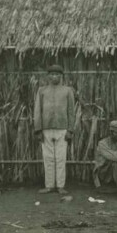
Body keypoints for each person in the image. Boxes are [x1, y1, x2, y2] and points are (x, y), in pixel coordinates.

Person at [33, 64, 75, 195]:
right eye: (52, 74)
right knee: (48, 158)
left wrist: (70, 130)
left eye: (57, 74)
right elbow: (37, 111)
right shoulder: (42, 90)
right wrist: (38, 129)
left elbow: (71, 112)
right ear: (48, 76)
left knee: (61, 158)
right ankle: (49, 185)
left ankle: (61, 186)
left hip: (62, 129)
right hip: (46, 128)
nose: (54, 77)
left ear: (61, 76)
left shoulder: (68, 91)